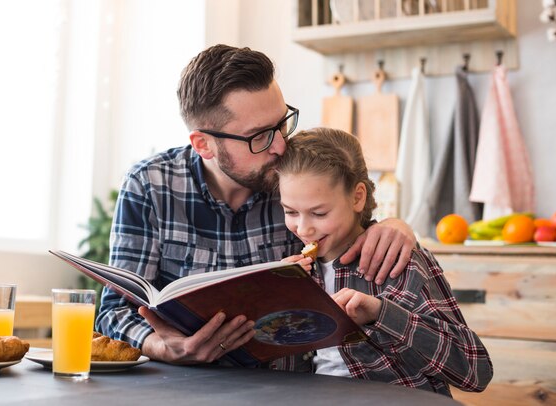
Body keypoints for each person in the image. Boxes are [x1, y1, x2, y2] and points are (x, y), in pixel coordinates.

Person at [96, 44, 416, 365]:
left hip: (291, 390)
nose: (279, 146)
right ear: (203, 144)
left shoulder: (292, 175)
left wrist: (393, 226)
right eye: (259, 136)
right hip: (189, 388)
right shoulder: (151, 185)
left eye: (281, 124)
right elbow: (114, 312)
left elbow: (350, 221)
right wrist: (164, 348)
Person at [275, 127, 493, 396]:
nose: (304, 229)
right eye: (291, 212)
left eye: (319, 213)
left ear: (357, 197)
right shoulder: (292, 271)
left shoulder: (401, 262)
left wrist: (380, 314)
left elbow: (475, 372)